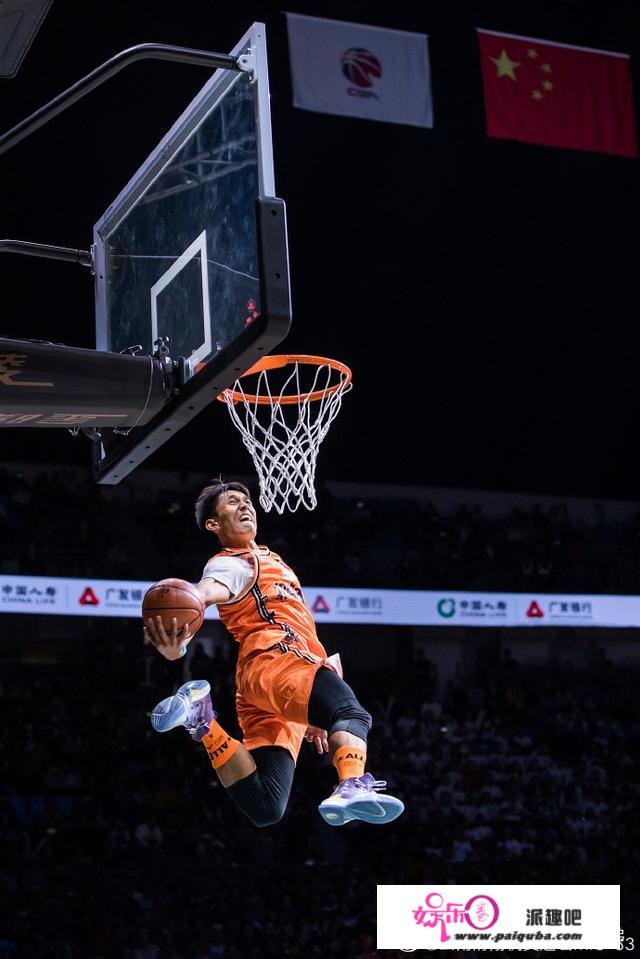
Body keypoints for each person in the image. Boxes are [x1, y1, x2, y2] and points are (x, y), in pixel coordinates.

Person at [144, 479, 404, 828]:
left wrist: (309, 711)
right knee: (351, 713)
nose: (245, 505)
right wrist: (181, 636)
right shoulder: (232, 563)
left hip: (261, 682)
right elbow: (203, 592)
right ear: (214, 524)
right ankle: (351, 784)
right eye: (233, 503)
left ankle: (202, 720)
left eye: (246, 500)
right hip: (278, 659)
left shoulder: (269, 557)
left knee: (266, 806)